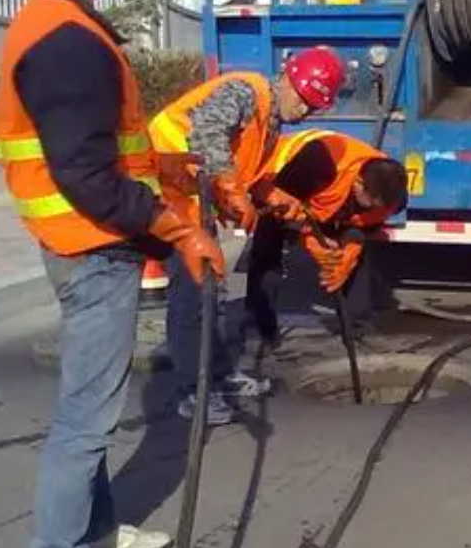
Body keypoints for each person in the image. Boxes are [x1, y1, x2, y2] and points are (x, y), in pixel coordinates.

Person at [0, 0, 224, 548]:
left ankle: (95, 532)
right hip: (93, 250)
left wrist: (164, 167)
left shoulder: (52, 24)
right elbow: (86, 174)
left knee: (87, 412)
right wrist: (179, 230)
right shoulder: (66, 41)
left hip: (80, 242)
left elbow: (93, 147)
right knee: (84, 423)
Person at [148, 47, 346, 425]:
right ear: (287, 79)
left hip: (193, 196)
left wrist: (276, 200)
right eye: (303, 99)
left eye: (313, 107)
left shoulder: (269, 125)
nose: (304, 111)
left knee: (213, 290)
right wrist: (228, 187)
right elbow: (207, 130)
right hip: (171, 190)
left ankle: (218, 375)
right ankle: (194, 391)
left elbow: (248, 174)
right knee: (194, 292)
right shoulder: (246, 91)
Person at [244, 129, 408, 343]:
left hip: (329, 205)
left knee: (353, 260)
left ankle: (354, 327)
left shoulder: (392, 193)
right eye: (370, 203)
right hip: (281, 190)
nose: (374, 208)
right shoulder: (318, 161)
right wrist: (312, 241)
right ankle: (261, 327)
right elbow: (280, 208)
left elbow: (365, 226)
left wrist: (351, 247)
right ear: (358, 183)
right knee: (267, 252)